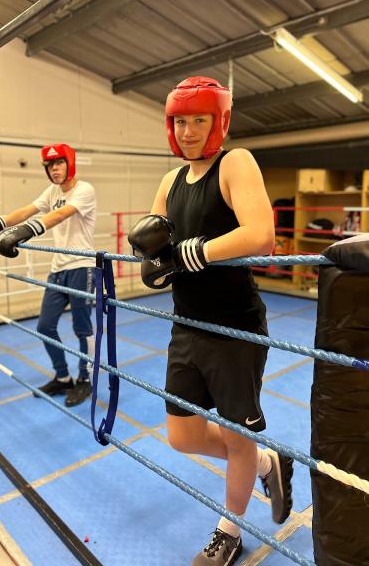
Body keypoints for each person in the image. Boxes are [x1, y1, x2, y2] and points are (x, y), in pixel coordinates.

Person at [128, 77, 294, 566]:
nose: (189, 130)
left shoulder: (235, 163)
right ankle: (267, 462)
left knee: (238, 436)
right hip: (187, 324)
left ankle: (230, 530)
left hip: (234, 327)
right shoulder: (170, 179)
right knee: (181, 435)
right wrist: (154, 260)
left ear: (218, 121)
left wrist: (192, 253)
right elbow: (155, 244)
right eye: (180, 121)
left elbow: (261, 234)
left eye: (199, 119)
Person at [0, 143, 96, 407]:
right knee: (45, 326)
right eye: (50, 166)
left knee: (83, 329)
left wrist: (25, 232)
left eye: (59, 163)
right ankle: (63, 377)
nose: (55, 170)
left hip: (82, 267)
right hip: (59, 269)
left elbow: (59, 215)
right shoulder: (51, 191)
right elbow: (26, 211)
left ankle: (85, 379)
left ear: (70, 163)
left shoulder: (84, 190)